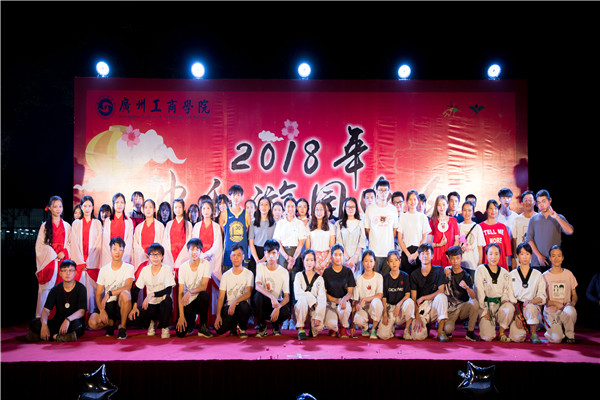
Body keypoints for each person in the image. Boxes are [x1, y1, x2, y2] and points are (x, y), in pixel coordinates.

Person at [27, 260, 87, 342]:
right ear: (60, 273)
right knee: (34, 322)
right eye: (64, 271)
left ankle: (45, 336)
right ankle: (58, 337)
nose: (68, 273)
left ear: (75, 273)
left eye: (70, 270)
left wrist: (68, 320)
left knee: (77, 326)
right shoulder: (55, 289)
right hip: (58, 322)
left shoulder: (81, 288)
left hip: (72, 321)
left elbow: (81, 311)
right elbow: (45, 310)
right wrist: (44, 325)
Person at [88, 237, 134, 340]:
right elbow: (98, 294)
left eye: (120, 249)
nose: (117, 252)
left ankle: (122, 328)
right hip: (108, 304)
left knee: (125, 294)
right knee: (92, 323)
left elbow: (128, 286)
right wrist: (101, 310)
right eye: (114, 249)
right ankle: (111, 323)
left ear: (123, 251)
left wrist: (109, 293)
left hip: (121, 303)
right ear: (110, 250)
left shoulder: (129, 268)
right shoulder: (104, 270)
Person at [35, 195, 71, 318]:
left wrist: (64, 252)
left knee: (62, 292)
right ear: (50, 208)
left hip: (63, 262)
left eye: (60, 206)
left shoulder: (67, 226)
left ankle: (60, 320)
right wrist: (53, 254)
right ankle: (43, 321)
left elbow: (71, 244)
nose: (58, 209)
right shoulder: (44, 226)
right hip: (50, 262)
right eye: (55, 206)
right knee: (47, 292)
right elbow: (40, 246)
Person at [128, 243, 176, 338]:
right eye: (152, 254)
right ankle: (151, 322)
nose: (155, 257)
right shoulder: (145, 270)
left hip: (163, 306)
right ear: (148, 257)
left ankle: (165, 328)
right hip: (150, 306)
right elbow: (136, 290)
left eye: (158, 254)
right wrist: (134, 307)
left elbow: (168, 290)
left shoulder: (166, 269)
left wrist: (151, 294)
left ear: (162, 257)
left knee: (167, 299)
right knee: (131, 319)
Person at [473, 243, 516, 342]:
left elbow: (507, 292)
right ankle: (486, 323)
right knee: (487, 337)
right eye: (491, 254)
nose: (493, 257)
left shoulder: (505, 273)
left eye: (496, 254)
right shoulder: (480, 270)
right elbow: (479, 292)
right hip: (485, 306)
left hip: (499, 306)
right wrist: (484, 311)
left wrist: (505, 300)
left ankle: (501, 332)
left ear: (500, 255)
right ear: (486, 255)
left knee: (509, 307)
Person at [406, 243, 449, 342]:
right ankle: (425, 327)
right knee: (417, 337)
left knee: (442, 297)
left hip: (434, 305)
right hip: (421, 308)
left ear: (432, 256)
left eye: (428, 253)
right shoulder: (414, 275)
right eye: (422, 254)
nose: (425, 256)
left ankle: (440, 332)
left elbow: (441, 290)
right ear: (419, 257)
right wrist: (417, 317)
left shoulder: (438, 270)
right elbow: (413, 299)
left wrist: (424, 297)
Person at [507, 242, 547, 343]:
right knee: (517, 338)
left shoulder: (538, 275)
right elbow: (510, 297)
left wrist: (531, 301)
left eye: (527, 254)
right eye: (522, 254)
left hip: (531, 308)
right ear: (517, 256)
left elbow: (542, 297)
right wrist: (516, 316)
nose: (524, 257)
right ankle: (522, 329)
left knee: (530, 307)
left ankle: (533, 333)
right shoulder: (511, 275)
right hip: (517, 310)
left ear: (531, 255)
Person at [70, 195, 103, 312]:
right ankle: (79, 317)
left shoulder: (97, 223)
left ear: (93, 207)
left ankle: (91, 315)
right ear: (81, 207)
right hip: (80, 261)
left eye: (89, 206)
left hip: (92, 262)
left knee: (92, 293)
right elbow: (73, 244)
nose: (87, 208)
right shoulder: (76, 224)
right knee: (79, 291)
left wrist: (89, 262)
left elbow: (98, 243)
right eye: (85, 206)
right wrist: (81, 262)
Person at [526, 189, 574, 272]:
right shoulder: (533, 219)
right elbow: (529, 239)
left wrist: (557, 217)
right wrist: (539, 256)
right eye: (539, 202)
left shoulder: (558, 217)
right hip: (537, 262)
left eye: (544, 201)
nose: (541, 205)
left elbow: (570, 231)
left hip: (554, 262)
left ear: (550, 200)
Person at [193, 199, 223, 323]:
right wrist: (200, 255)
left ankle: (211, 319)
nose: (206, 211)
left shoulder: (216, 227)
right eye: (203, 208)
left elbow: (217, 245)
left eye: (208, 208)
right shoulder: (196, 226)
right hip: (199, 260)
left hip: (211, 260)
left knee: (212, 289)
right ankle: (198, 319)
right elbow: (194, 243)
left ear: (212, 211)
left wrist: (206, 254)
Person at [176, 238, 213, 338]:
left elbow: (204, 286)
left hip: (199, 299)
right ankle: (191, 322)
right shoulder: (183, 267)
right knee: (180, 333)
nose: (194, 252)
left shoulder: (205, 264)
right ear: (188, 251)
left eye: (197, 249)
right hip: (187, 302)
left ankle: (202, 326)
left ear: (200, 251)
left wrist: (190, 291)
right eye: (192, 249)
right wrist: (181, 316)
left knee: (205, 295)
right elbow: (180, 292)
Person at [214, 245, 254, 338]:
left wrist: (235, 302)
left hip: (242, 307)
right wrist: (218, 316)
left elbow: (248, 293)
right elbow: (221, 297)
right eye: (234, 255)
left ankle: (242, 328)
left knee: (244, 306)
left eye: (238, 255)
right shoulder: (225, 275)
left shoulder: (249, 274)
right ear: (230, 257)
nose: (236, 258)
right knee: (219, 330)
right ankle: (233, 326)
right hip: (229, 309)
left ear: (243, 257)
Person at [254, 239, 291, 337]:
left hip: (276, 304)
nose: (271, 256)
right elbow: (257, 286)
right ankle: (262, 325)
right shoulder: (260, 266)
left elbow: (287, 297)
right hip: (264, 303)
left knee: (286, 310)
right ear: (265, 254)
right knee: (257, 296)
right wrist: (272, 297)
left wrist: (278, 306)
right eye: (268, 253)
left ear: (278, 254)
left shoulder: (284, 272)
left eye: (274, 253)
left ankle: (276, 325)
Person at [443, 246, 480, 341]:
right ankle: (445, 325)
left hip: (462, 307)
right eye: (452, 258)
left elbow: (473, 296)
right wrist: (445, 277)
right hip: (450, 309)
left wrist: (467, 287)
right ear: (449, 259)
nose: (455, 261)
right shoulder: (446, 271)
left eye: (457, 258)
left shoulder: (466, 275)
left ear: (461, 259)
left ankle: (470, 332)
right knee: (448, 330)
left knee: (474, 303)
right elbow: (440, 290)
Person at [543, 245, 578, 344]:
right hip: (551, 311)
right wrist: (554, 303)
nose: (556, 258)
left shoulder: (568, 274)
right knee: (556, 339)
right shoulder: (544, 276)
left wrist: (572, 303)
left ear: (562, 258)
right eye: (553, 256)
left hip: (565, 309)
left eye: (559, 256)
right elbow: (542, 299)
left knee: (570, 311)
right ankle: (552, 330)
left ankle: (569, 334)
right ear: (550, 258)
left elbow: (574, 294)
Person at [376, 250, 414, 340]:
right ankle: (391, 328)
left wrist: (399, 305)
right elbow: (384, 298)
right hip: (390, 309)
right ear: (388, 263)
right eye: (391, 261)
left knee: (410, 302)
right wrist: (385, 314)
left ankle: (406, 330)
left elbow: (407, 295)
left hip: (401, 308)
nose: (394, 263)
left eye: (396, 260)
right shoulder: (385, 278)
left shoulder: (405, 276)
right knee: (383, 335)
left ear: (400, 261)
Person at [364, 179, 399, 276]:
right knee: (373, 279)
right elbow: (367, 230)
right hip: (374, 252)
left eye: (385, 190)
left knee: (387, 280)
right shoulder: (370, 209)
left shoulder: (393, 209)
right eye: (380, 190)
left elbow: (394, 230)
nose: (383, 193)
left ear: (389, 192)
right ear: (376, 191)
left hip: (388, 252)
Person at [322, 244, 356, 338]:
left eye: (340, 255)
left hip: (343, 303)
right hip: (331, 304)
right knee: (330, 324)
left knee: (345, 309)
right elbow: (324, 294)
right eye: (335, 255)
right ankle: (333, 327)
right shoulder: (327, 272)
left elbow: (350, 292)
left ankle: (343, 327)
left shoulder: (348, 272)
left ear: (343, 256)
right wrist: (337, 300)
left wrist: (344, 300)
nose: (338, 257)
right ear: (331, 256)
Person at [294, 249, 327, 340]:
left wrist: (318, 316)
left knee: (318, 327)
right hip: (301, 308)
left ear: (315, 262)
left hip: (314, 309)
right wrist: (311, 298)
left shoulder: (319, 279)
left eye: (312, 260)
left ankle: (312, 328)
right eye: (307, 260)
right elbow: (297, 294)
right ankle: (300, 329)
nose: (309, 263)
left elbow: (322, 299)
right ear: (303, 261)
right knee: (303, 300)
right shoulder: (299, 276)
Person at [397, 189, 431, 276]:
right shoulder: (403, 217)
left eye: (414, 199)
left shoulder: (423, 217)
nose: (412, 202)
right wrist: (409, 255)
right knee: (406, 279)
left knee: (419, 279)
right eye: (410, 199)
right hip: (406, 252)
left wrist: (416, 254)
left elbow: (425, 238)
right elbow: (400, 239)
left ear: (418, 200)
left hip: (419, 253)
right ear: (407, 201)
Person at [351, 250, 384, 339]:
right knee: (358, 319)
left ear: (374, 262)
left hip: (374, 309)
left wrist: (364, 299)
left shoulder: (379, 277)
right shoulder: (359, 280)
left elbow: (380, 295)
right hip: (364, 309)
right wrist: (352, 324)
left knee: (377, 301)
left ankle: (373, 329)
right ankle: (365, 328)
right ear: (362, 262)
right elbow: (354, 301)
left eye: (371, 261)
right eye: (366, 261)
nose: (368, 264)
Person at [219, 184, 251, 272]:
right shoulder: (224, 213)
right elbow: (222, 233)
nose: (236, 197)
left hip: (243, 255)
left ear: (242, 197)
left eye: (238, 195)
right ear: (229, 197)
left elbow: (248, 234)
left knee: (244, 279)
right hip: (228, 255)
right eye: (233, 195)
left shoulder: (246, 214)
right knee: (228, 279)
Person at [132, 199, 165, 281]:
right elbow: (135, 245)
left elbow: (162, 243)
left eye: (150, 207)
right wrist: (144, 255)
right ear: (143, 210)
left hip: (156, 259)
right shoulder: (138, 228)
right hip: (141, 260)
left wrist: (153, 255)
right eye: (146, 207)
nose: (148, 209)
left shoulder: (160, 226)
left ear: (154, 209)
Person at [335, 196, 367, 280]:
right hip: (343, 258)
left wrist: (353, 259)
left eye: (353, 207)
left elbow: (362, 242)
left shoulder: (360, 223)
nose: (350, 209)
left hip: (357, 259)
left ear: (356, 208)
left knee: (356, 281)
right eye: (348, 206)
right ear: (344, 208)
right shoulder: (339, 224)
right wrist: (348, 259)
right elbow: (339, 242)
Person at [101, 193, 134, 267]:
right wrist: (111, 256)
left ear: (125, 204)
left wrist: (123, 257)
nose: (119, 205)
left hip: (124, 257)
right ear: (113, 204)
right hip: (109, 257)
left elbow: (129, 242)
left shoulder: (129, 222)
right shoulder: (108, 221)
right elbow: (106, 242)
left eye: (122, 202)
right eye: (117, 202)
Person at [248, 196, 277, 279]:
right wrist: (257, 260)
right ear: (258, 207)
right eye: (261, 204)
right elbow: (251, 243)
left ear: (269, 207)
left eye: (266, 204)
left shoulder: (274, 223)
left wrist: (265, 258)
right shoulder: (253, 223)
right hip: (255, 253)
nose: (264, 207)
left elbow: (274, 243)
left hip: (269, 253)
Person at [479, 200, 512, 270]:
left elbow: (507, 250)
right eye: (490, 208)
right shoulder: (480, 227)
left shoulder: (503, 227)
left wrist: (507, 268)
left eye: (495, 208)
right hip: (486, 264)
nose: (493, 211)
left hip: (501, 265)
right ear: (486, 210)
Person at [428, 195, 459, 268]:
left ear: (447, 205)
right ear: (436, 206)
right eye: (439, 205)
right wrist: (439, 244)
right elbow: (428, 242)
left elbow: (457, 240)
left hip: (449, 256)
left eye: (444, 204)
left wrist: (450, 253)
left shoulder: (453, 221)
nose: (441, 207)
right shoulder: (432, 221)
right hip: (436, 255)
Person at [306, 200, 336, 276]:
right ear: (314, 211)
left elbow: (332, 247)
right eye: (317, 209)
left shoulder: (330, 226)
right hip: (313, 259)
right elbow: (307, 248)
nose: (319, 212)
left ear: (325, 211)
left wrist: (325, 261)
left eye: (321, 209)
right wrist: (314, 262)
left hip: (326, 258)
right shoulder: (309, 226)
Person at [457, 200, 485, 275]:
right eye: (465, 210)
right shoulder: (459, 226)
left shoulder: (477, 227)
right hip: (461, 264)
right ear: (462, 211)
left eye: (469, 210)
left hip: (474, 265)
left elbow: (480, 248)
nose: (467, 213)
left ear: (473, 212)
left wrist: (479, 264)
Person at [512, 190, 536, 267]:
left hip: (536, 261)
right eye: (525, 200)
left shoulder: (539, 218)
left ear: (535, 202)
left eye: (530, 200)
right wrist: (513, 258)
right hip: (520, 261)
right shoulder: (517, 219)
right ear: (522, 203)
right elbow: (514, 240)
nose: (528, 202)